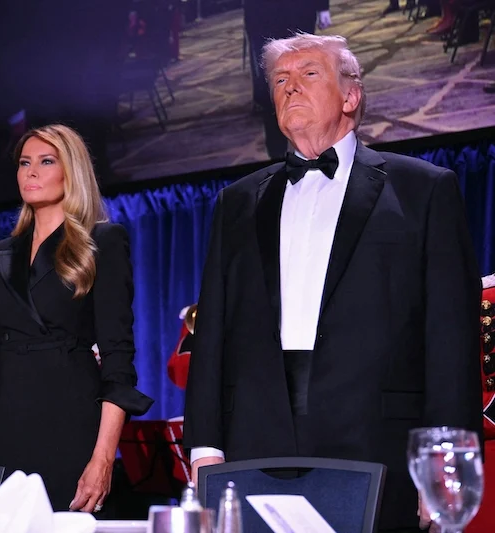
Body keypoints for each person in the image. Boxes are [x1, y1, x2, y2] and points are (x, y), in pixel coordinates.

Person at [183, 32, 482, 532]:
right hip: (254, 442)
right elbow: (212, 332)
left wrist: (444, 465)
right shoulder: (237, 201)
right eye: (281, 79)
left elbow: (450, 337)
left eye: (309, 73)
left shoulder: (423, 190)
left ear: (351, 95)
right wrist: (204, 445)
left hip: (377, 444)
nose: (290, 86)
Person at [0, 123, 154, 513]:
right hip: (5, 421)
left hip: (70, 418)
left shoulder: (102, 242)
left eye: (46, 161)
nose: (31, 172)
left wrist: (103, 458)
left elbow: (118, 360)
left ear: (71, 171)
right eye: (24, 163)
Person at [244, 0, 332, 160]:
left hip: (300, 12)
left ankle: (313, 143)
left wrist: (322, 6)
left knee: (304, 75)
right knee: (271, 83)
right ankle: (277, 152)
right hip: (261, 16)